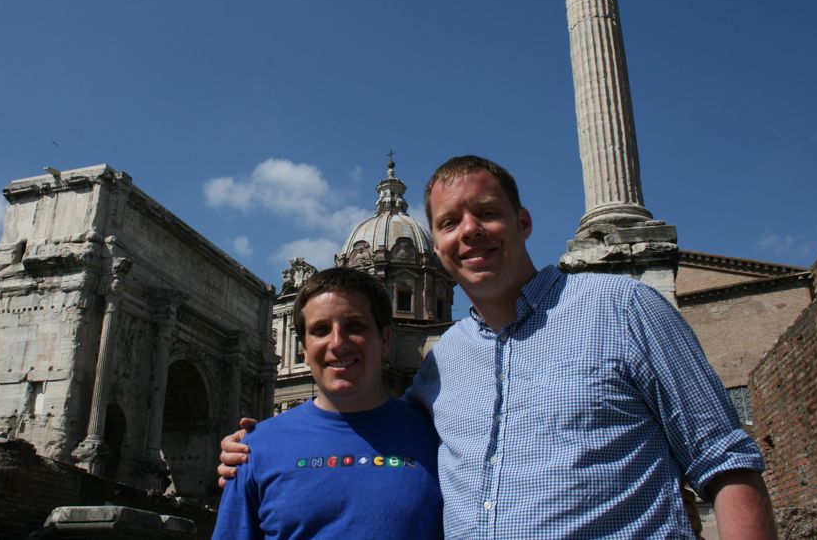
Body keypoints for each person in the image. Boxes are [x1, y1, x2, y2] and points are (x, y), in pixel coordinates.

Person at [223, 155, 777, 539]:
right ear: (437, 248)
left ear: (523, 221)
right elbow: (361, 427)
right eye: (448, 222)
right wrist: (259, 449)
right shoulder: (440, 367)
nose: (469, 231)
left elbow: (725, 459)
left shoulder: (625, 308)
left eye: (485, 212)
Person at [211, 267, 443, 539]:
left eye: (354, 326)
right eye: (321, 330)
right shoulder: (252, 451)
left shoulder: (441, 438)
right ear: (303, 350)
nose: (337, 342)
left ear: (385, 340)